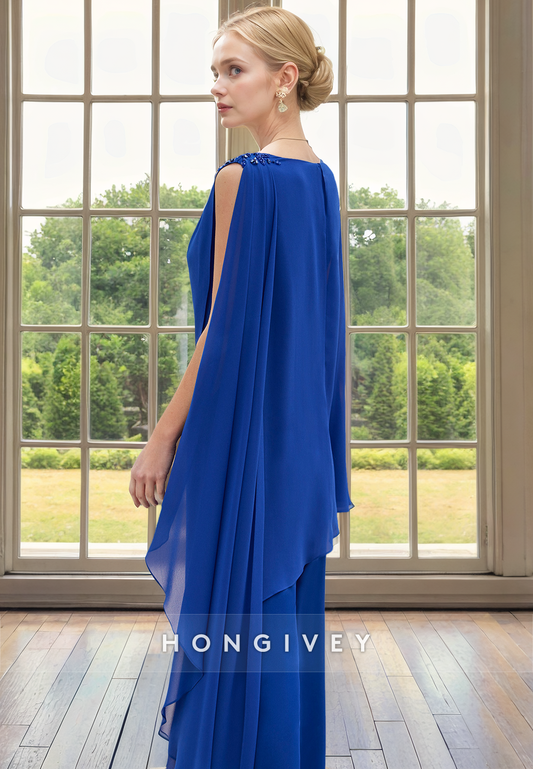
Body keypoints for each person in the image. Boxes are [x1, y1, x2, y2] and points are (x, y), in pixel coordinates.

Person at [129, 5, 354, 768]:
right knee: (274, 621)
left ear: (283, 79)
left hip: (246, 442)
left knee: (236, 619)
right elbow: (322, 333)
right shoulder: (318, 179)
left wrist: (162, 437)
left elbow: (221, 332)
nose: (218, 87)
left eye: (234, 70)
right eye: (215, 72)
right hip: (299, 445)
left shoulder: (244, 179)